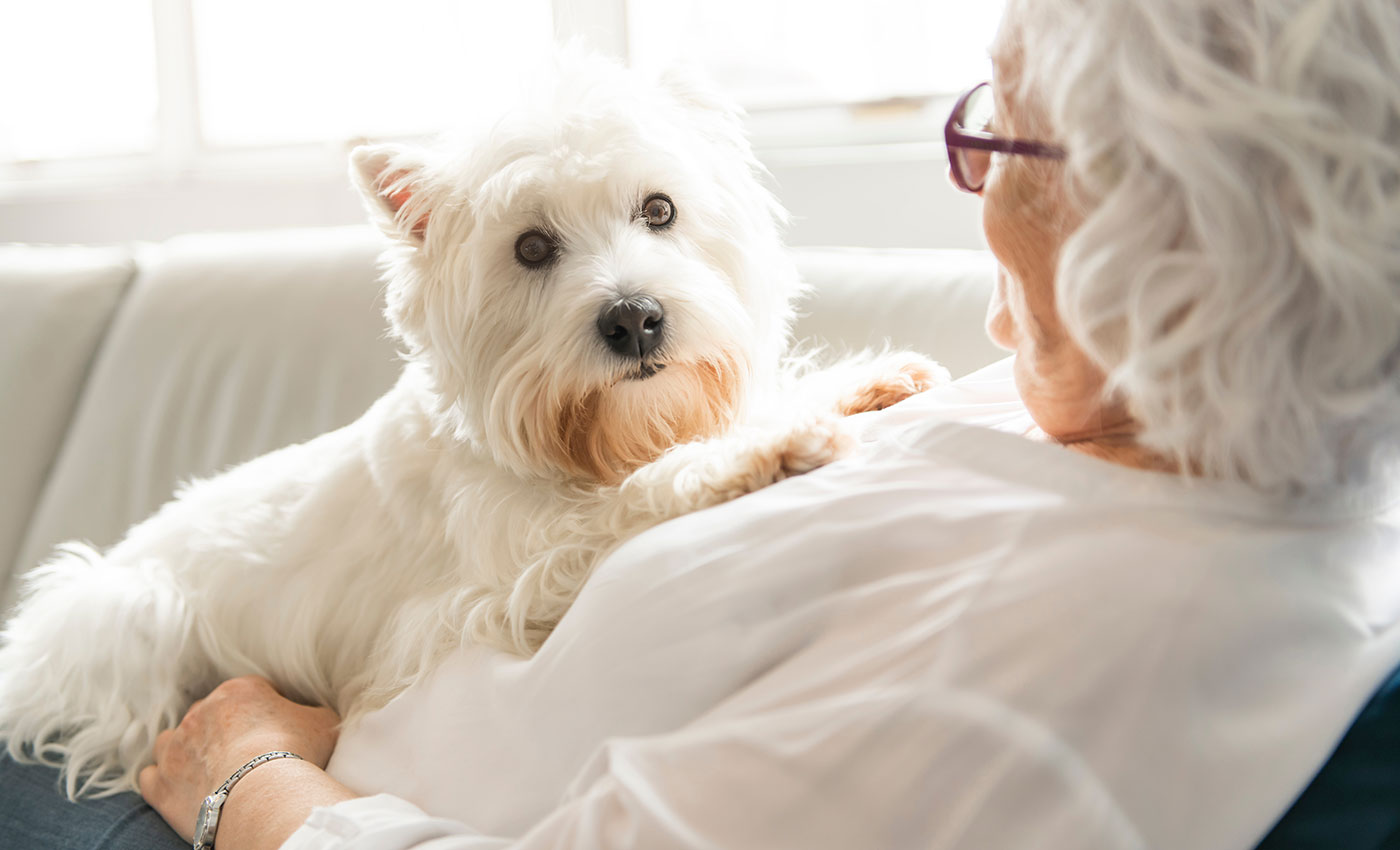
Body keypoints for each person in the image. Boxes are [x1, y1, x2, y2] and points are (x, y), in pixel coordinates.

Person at [4, 0, 1399, 847]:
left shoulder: (1065, 665)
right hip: (150, 708)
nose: (972, 192)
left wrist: (243, 776)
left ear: (1158, 226)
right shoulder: (1126, 427)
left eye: (995, 134)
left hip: (217, 801)